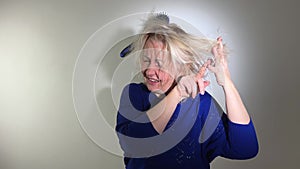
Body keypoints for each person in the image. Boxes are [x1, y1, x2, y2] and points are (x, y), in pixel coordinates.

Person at [115, 13, 259, 169]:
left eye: (160, 63)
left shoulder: (201, 104)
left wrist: (226, 82)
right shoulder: (134, 94)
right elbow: (134, 144)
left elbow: (245, 149)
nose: (150, 71)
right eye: (146, 59)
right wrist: (177, 94)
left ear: (182, 65)